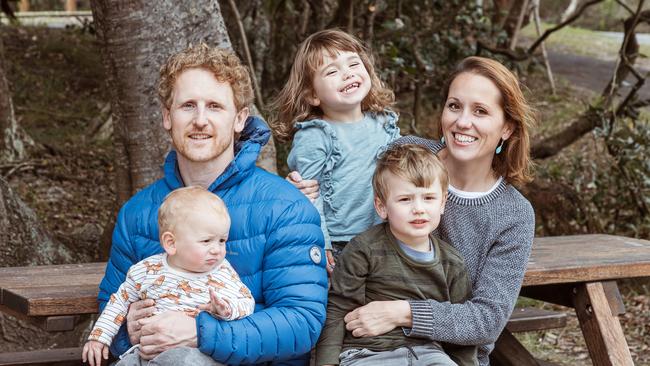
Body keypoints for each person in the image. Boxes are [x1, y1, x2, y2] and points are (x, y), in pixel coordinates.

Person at [290, 56, 536, 365]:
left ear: (507, 128)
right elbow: (342, 186)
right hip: (366, 347)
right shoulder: (404, 156)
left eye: (481, 111)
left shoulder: (513, 213)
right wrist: (304, 190)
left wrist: (402, 312)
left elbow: (486, 320)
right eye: (455, 106)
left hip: (446, 355)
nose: (462, 122)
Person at [98, 44, 328, 365]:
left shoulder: (284, 207)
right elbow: (111, 310)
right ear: (167, 116)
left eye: (215, 107)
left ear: (239, 119)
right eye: (188, 106)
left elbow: (301, 322)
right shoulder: (138, 214)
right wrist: (129, 330)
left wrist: (201, 332)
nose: (200, 120)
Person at [316, 144, 477, 366]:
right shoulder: (363, 249)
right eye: (405, 199)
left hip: (429, 355)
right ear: (382, 207)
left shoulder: (452, 262)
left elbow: (460, 330)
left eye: (428, 198)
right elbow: (337, 310)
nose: (418, 208)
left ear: (442, 203)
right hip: (369, 354)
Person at [269, 29, 400, 274]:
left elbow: (405, 168)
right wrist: (322, 240)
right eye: (332, 71)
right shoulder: (315, 134)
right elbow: (311, 195)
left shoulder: (384, 123)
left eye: (353, 63)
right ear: (312, 95)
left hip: (387, 235)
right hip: (341, 242)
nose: (347, 73)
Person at [83, 187, 255, 366]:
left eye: (222, 240)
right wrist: (100, 337)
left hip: (195, 354)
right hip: (146, 351)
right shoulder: (147, 270)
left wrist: (226, 310)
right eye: (206, 241)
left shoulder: (222, 272)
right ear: (171, 243)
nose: (217, 249)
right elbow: (119, 302)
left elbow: (246, 301)